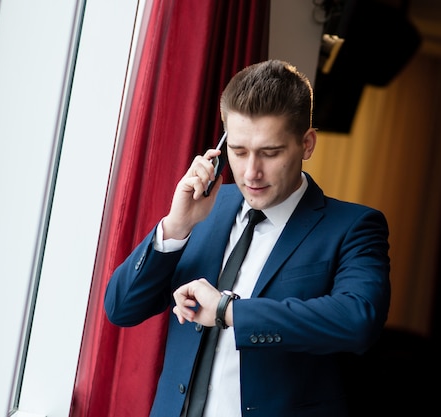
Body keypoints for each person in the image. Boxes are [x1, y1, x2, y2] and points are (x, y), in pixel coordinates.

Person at [104, 59, 391, 417]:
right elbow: (121, 308)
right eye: (238, 152)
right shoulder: (204, 208)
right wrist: (175, 228)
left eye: (270, 153)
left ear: (307, 144)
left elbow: (357, 319)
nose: (251, 172)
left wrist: (228, 311)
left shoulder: (353, 226)